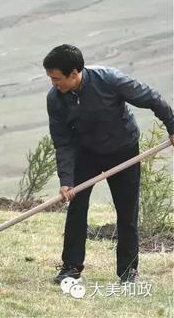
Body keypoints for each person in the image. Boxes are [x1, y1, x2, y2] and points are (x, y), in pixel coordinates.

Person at [43, 44, 174, 284]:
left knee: (127, 212)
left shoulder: (110, 80)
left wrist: (172, 126)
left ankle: (128, 272)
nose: (54, 84)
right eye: (51, 78)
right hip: (86, 153)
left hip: (122, 150)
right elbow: (62, 143)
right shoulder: (55, 99)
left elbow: (151, 98)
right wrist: (66, 181)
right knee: (76, 207)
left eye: (57, 78)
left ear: (74, 73)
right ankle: (71, 268)